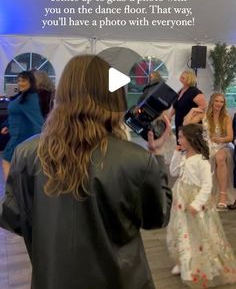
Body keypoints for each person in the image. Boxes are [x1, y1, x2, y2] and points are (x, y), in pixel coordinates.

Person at [0, 54, 172, 289]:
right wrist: (158, 155)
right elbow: (156, 217)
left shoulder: (26, 153)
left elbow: (14, 217)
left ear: (63, 93)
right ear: (113, 98)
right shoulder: (138, 160)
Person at [167, 123, 236, 288]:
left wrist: (197, 203)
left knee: (200, 233)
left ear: (191, 139)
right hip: (181, 203)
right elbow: (173, 172)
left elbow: (207, 186)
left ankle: (203, 264)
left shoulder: (202, 161)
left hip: (197, 204)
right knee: (180, 230)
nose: (179, 139)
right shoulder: (183, 157)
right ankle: (184, 261)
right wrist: (177, 153)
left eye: (182, 137)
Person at [184, 93, 235, 208]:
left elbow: (230, 137)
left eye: (221, 102)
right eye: (217, 101)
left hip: (223, 145)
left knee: (219, 158)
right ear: (212, 101)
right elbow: (186, 124)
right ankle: (203, 194)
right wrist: (192, 110)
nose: (219, 104)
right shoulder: (204, 115)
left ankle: (223, 195)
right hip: (207, 146)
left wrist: (220, 139)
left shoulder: (226, 117)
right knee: (199, 158)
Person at [0, 71, 44, 179]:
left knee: (7, 160)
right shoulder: (23, 96)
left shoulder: (30, 98)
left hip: (21, 138)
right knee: (16, 167)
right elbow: (16, 114)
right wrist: (8, 126)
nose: (20, 83)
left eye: (23, 80)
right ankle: (14, 192)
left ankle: (11, 193)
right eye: (18, 80)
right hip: (16, 135)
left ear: (31, 82)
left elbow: (38, 121)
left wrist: (41, 142)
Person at [169, 70, 207, 141]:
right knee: (180, 144)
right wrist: (170, 116)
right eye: (180, 77)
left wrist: (191, 117)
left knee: (189, 145)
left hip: (190, 125)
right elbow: (176, 105)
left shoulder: (194, 91)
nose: (180, 79)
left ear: (189, 80)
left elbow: (203, 106)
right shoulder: (180, 90)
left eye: (183, 78)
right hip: (179, 123)